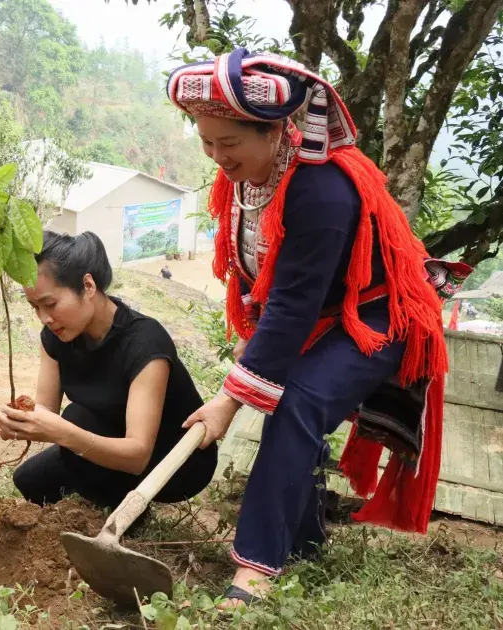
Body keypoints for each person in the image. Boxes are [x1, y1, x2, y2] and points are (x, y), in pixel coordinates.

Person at [165, 48, 471, 608]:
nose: (216, 157)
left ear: (276, 131)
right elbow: (268, 280)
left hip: (384, 311)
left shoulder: (323, 189)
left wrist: (227, 403)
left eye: (228, 143)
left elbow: (293, 306)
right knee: (288, 398)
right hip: (326, 309)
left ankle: (256, 567)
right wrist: (250, 347)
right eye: (206, 141)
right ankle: (302, 541)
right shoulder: (248, 174)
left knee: (296, 401)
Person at [0, 231, 218, 515]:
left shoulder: (144, 342)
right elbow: (46, 411)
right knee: (29, 481)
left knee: (76, 419)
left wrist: (63, 432)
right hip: (106, 435)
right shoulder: (56, 337)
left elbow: (137, 455)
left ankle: (128, 515)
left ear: (88, 285)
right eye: (35, 307)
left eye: (50, 304)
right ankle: (104, 488)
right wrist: (18, 421)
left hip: (172, 463)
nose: (44, 318)